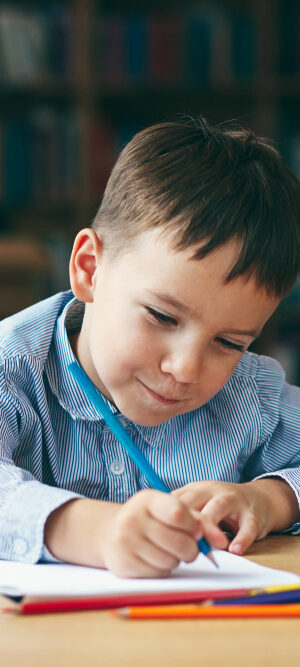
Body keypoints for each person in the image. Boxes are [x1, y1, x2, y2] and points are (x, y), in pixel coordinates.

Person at [0, 116, 300, 578]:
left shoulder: (250, 393)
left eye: (228, 342)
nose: (185, 368)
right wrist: (93, 530)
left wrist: (269, 499)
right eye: (162, 316)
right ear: (88, 268)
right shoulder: (12, 369)